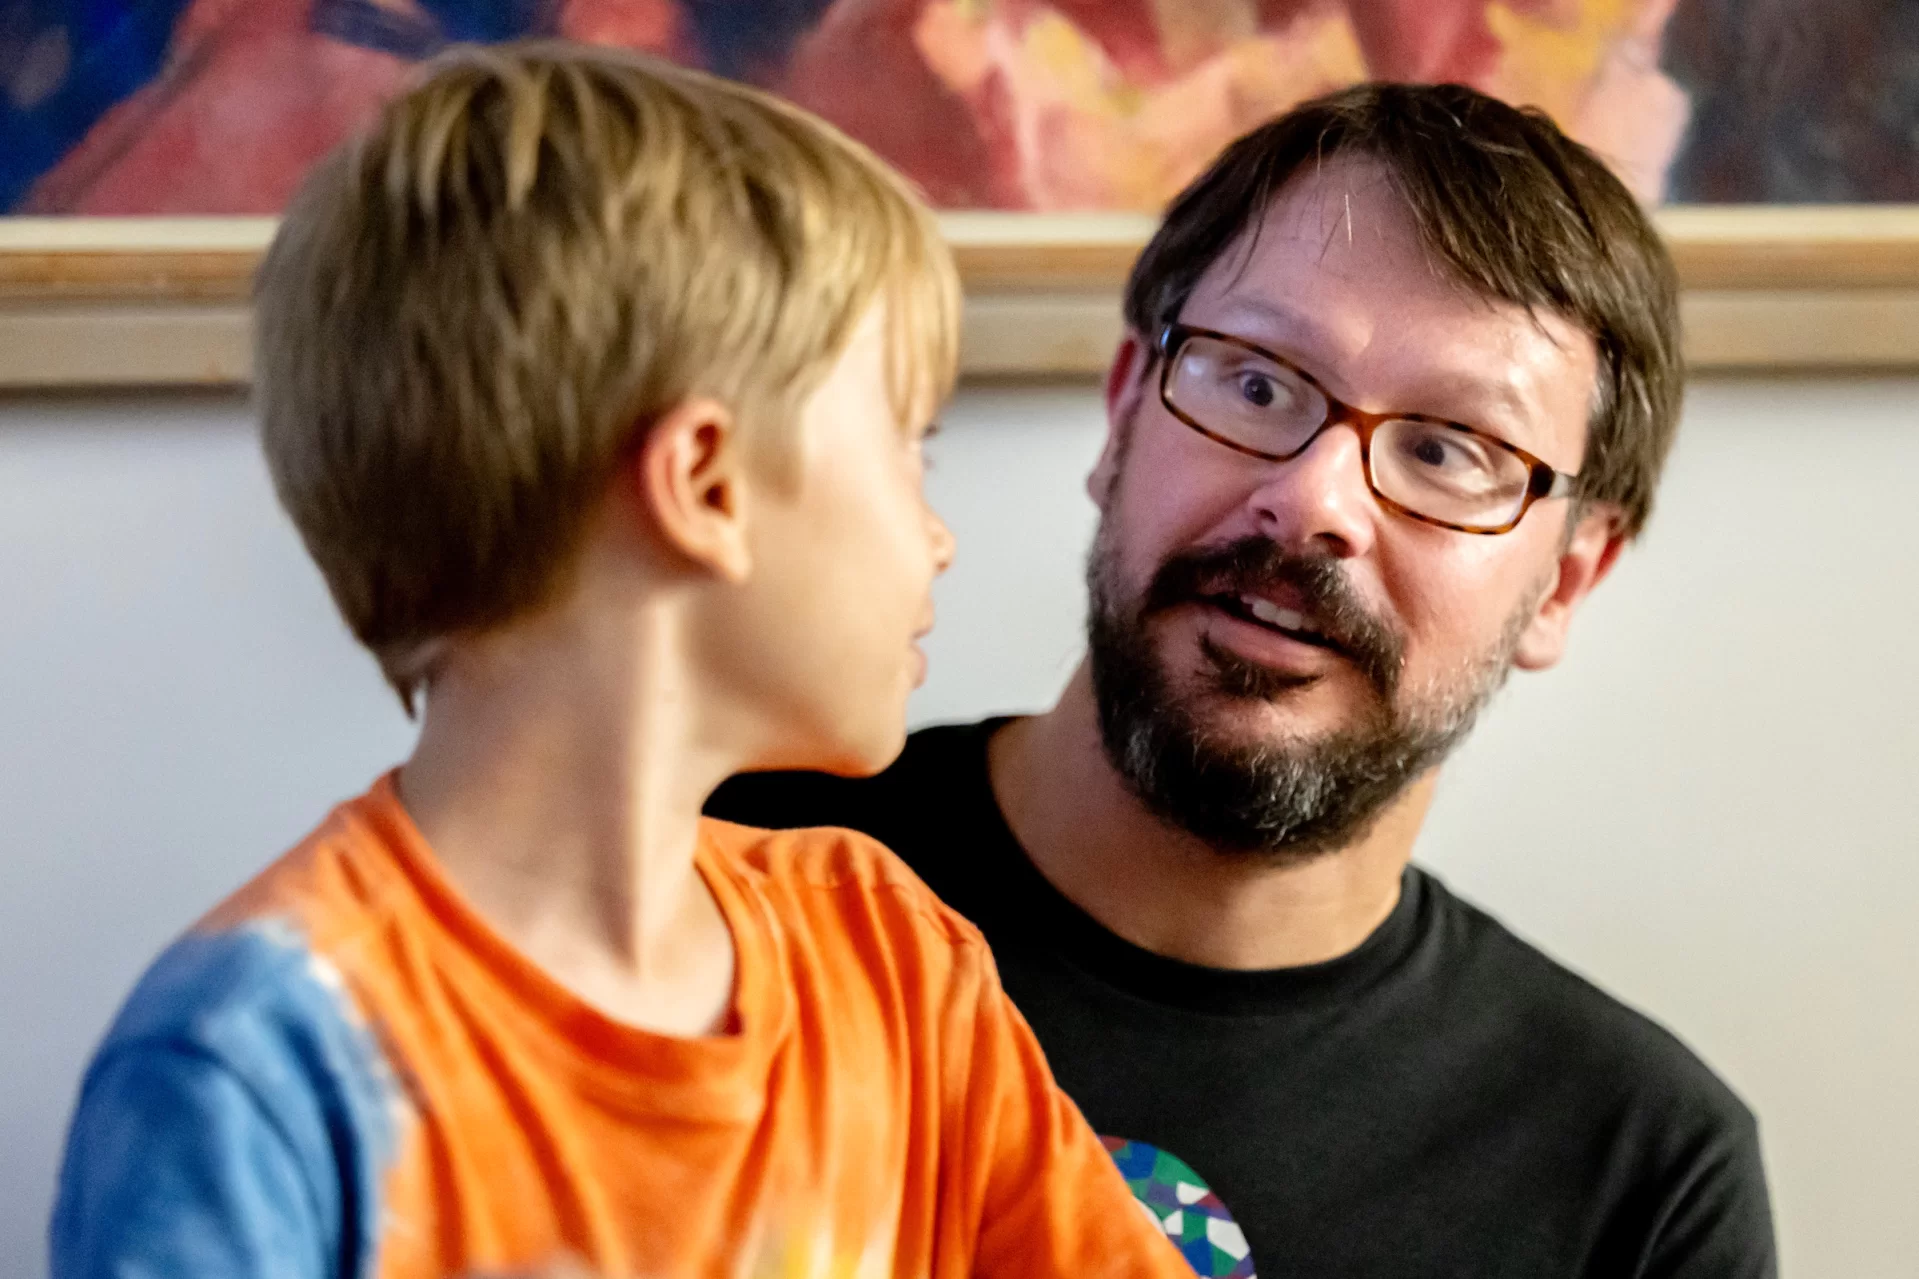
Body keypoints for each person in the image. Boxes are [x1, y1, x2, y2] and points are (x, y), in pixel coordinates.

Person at [48, 44, 1193, 1279]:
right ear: (704, 482)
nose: (938, 532)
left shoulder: (892, 962)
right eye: (908, 442)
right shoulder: (257, 1071)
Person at [711, 82, 1778, 1278]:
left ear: (1567, 581)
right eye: (1256, 382)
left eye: (1444, 451)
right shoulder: (689, 872)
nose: (1313, 501)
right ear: (1121, 415)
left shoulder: (1639, 1175)